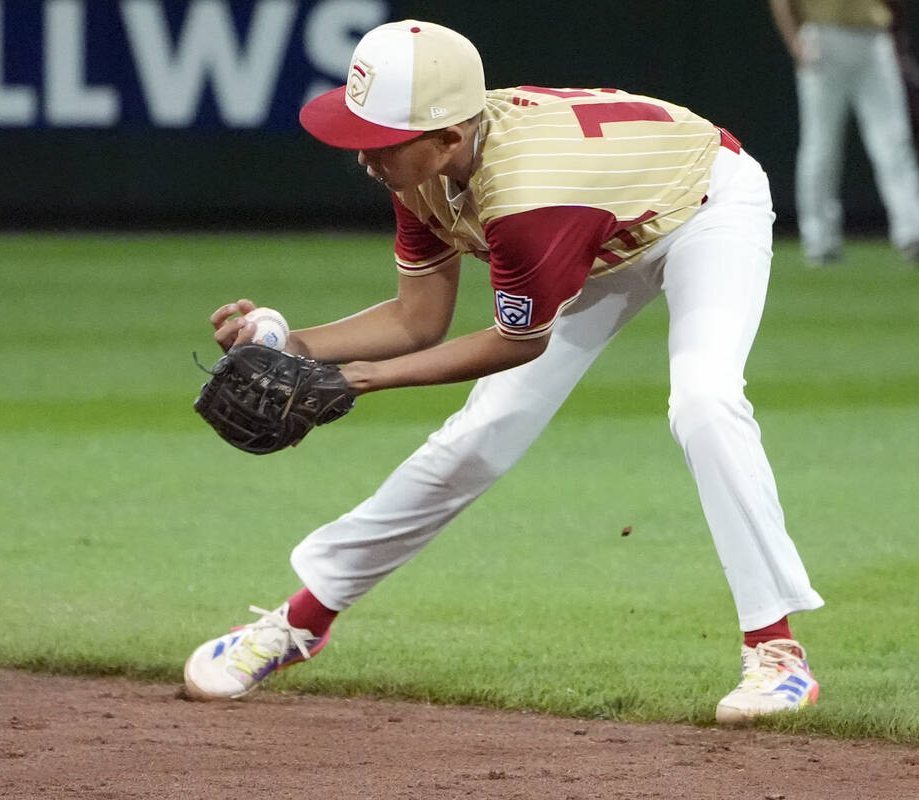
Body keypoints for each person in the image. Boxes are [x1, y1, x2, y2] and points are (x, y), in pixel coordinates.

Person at [183, 19, 825, 724]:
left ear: (448, 138)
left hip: (704, 208)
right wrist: (291, 344)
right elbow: (417, 319)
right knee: (479, 435)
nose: (364, 155)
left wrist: (362, 379)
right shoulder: (423, 167)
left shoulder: (527, 197)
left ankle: (777, 655)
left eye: (380, 140)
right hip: (599, 225)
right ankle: (299, 624)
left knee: (704, 400)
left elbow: (520, 343)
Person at [768, 0, 919, 266]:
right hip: (823, 36)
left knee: (893, 143)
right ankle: (819, 241)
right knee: (821, 147)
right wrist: (794, 41)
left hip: (872, 37)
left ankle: (914, 234)